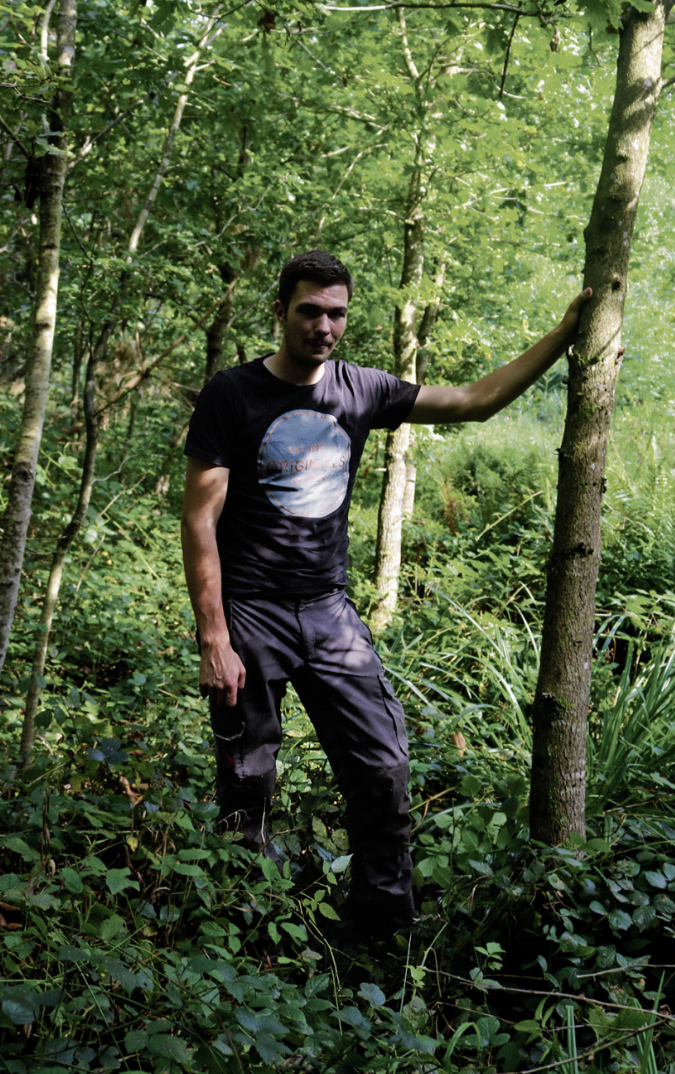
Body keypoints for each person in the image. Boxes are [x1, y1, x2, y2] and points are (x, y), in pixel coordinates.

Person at [181, 249, 592, 940]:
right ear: (279, 311)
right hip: (250, 611)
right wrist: (214, 638)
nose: (324, 326)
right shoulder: (233, 394)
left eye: (337, 313)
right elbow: (199, 518)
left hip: (328, 609)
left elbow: (473, 402)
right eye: (310, 310)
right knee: (245, 781)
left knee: (382, 765)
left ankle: (382, 931)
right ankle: (241, 931)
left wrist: (563, 334)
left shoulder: (359, 390)